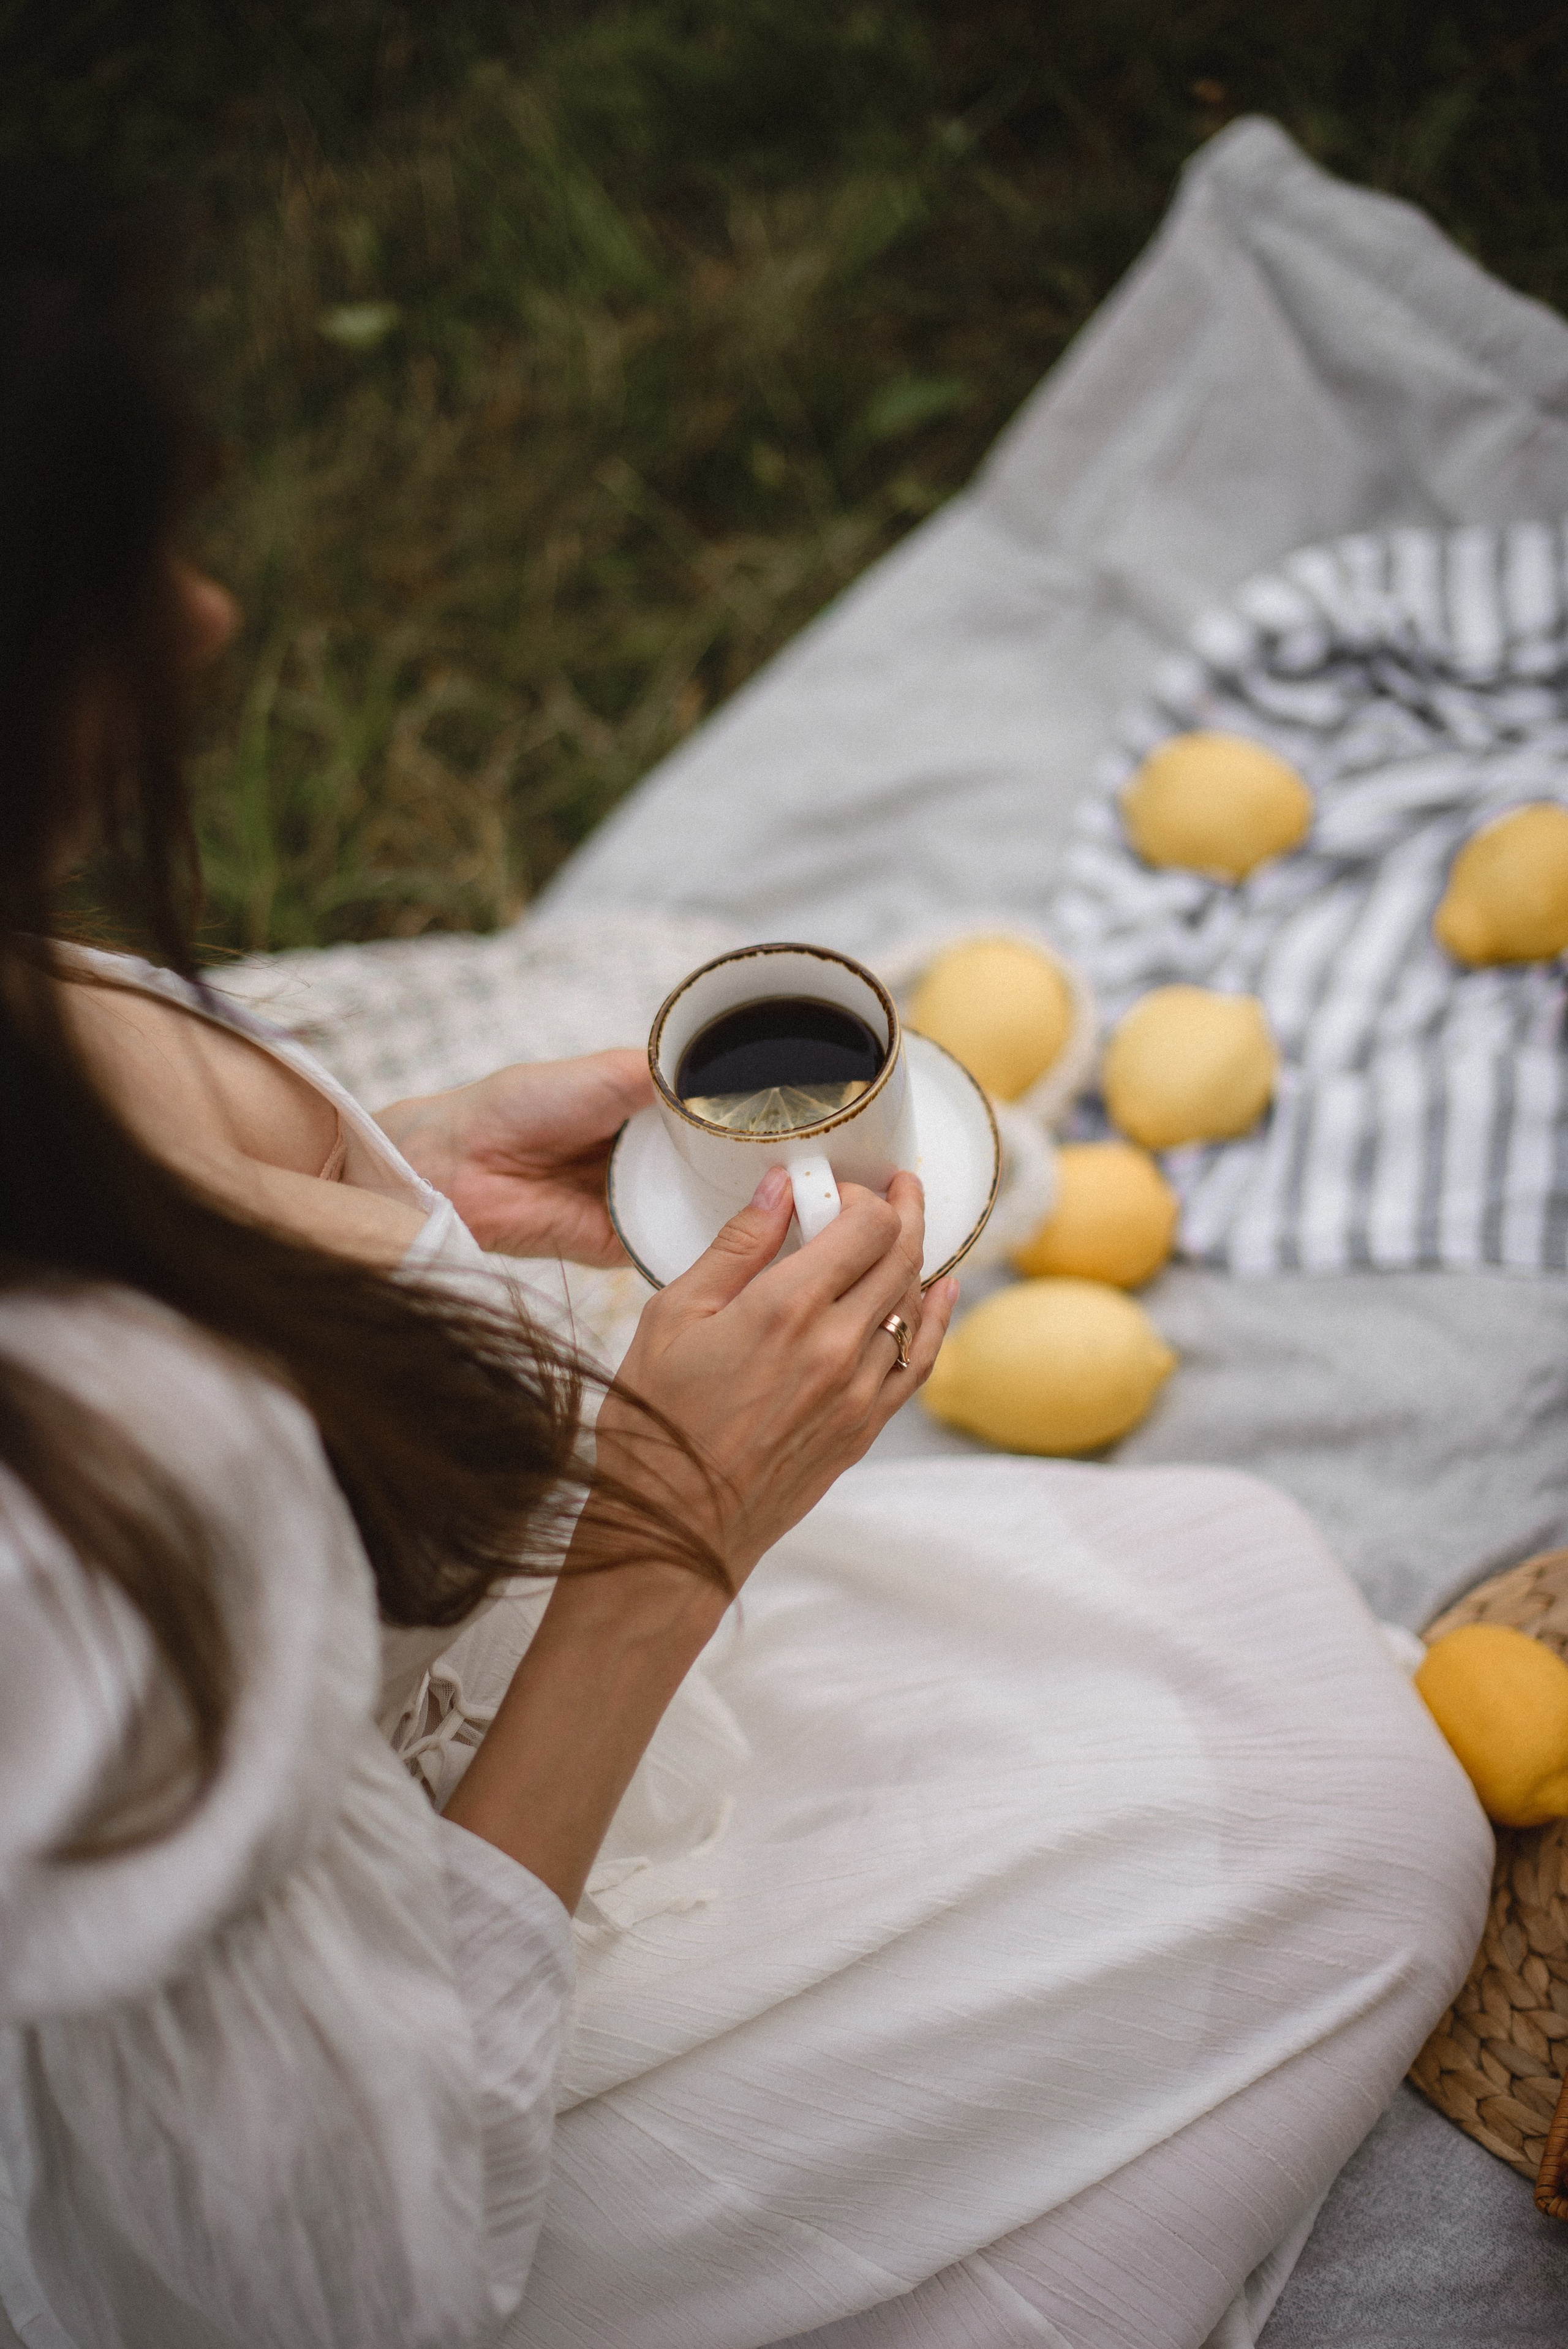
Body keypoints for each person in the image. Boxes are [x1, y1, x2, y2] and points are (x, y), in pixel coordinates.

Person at [0, 187, 1493, 2349]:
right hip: (420, 2074)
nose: (209, 619)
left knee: (1262, 1603)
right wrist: (665, 1536)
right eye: (106, 575)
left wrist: (383, 1195)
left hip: (411, 1659)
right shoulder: (87, 1523)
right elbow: (321, 2274)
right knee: (1363, 1835)